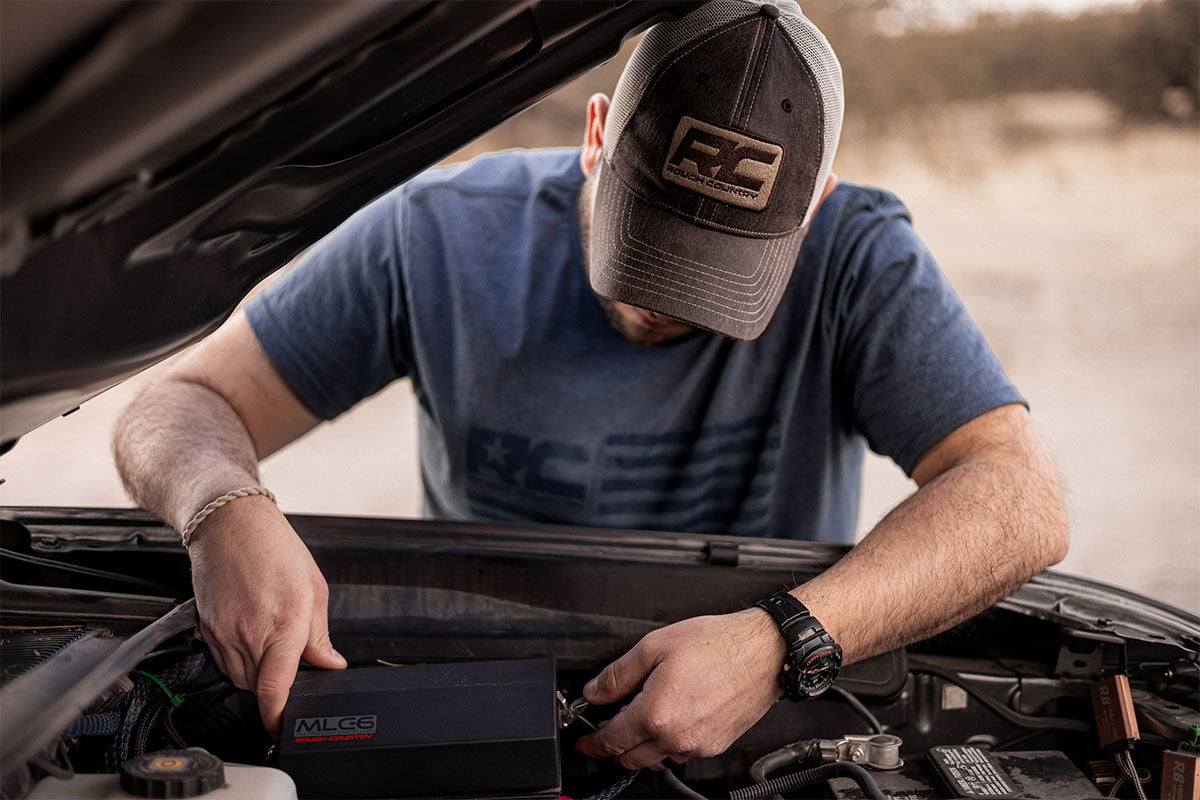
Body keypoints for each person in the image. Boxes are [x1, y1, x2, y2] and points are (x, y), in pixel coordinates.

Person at [113, 0, 1067, 772]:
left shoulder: (859, 256)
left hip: (762, 705)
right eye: (644, 248)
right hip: (479, 694)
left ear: (813, 201)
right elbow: (178, 402)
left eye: (717, 273)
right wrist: (225, 511)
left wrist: (785, 643)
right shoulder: (436, 235)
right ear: (597, 135)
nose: (664, 304)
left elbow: (1019, 498)